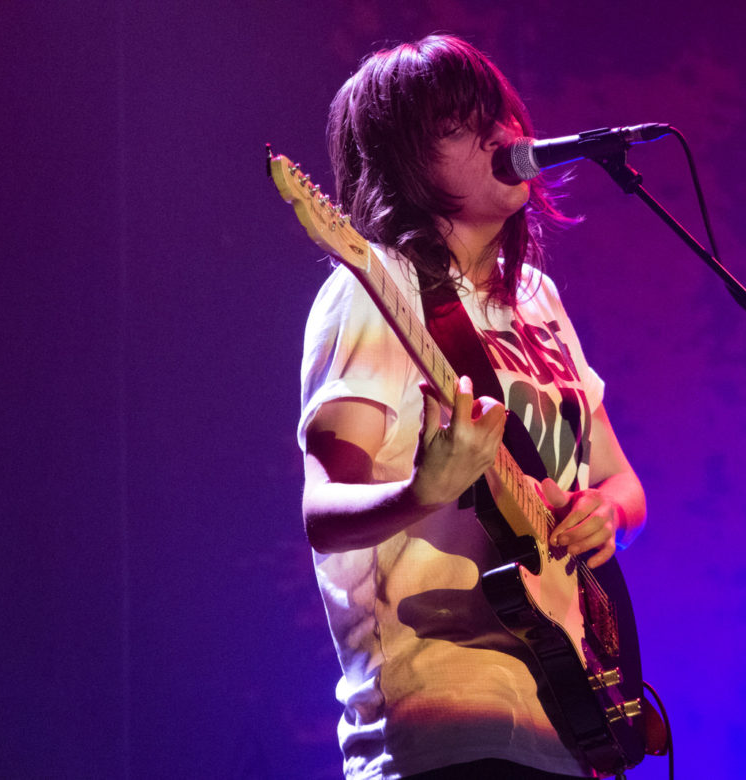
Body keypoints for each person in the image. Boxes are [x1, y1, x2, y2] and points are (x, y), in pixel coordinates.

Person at [299, 34, 646, 779]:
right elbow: (322, 513)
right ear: (403, 160)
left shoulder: (538, 301)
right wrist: (424, 491)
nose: (501, 134)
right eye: (459, 124)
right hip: (446, 725)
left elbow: (623, 482)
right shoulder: (372, 289)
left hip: (567, 717)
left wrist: (604, 514)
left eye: (499, 112)